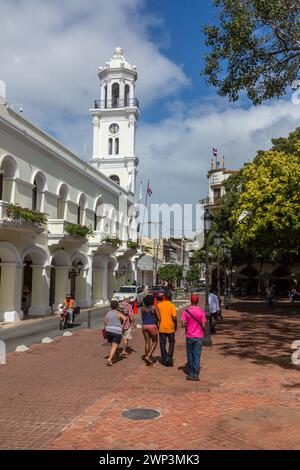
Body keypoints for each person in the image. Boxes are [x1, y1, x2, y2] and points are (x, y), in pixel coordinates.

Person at [181, 294, 206, 382]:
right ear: (197, 301)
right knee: (197, 355)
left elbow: (183, 324)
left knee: (190, 355)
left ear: (191, 301)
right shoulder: (202, 312)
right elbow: (203, 325)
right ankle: (196, 374)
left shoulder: (186, 311)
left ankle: (191, 373)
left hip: (189, 336)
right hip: (198, 336)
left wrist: (188, 324)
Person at [157, 291, 177, 367]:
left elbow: (158, 317)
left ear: (164, 297)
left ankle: (164, 358)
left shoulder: (159, 305)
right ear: (171, 297)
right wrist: (175, 324)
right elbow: (174, 317)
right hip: (170, 327)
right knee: (172, 342)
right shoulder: (172, 306)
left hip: (162, 327)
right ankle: (169, 357)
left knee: (162, 344)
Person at [104, 300, 126, 366]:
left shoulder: (108, 313)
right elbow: (125, 318)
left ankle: (114, 357)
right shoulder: (118, 313)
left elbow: (105, 321)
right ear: (117, 306)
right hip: (117, 331)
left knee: (112, 345)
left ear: (111, 306)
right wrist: (122, 326)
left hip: (108, 330)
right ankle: (109, 359)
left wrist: (108, 325)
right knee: (114, 346)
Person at [141, 294, 160, 366]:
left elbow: (142, 317)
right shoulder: (154, 308)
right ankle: (148, 356)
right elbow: (159, 318)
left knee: (147, 342)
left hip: (144, 325)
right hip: (152, 325)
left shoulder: (143, 308)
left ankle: (147, 358)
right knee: (155, 341)